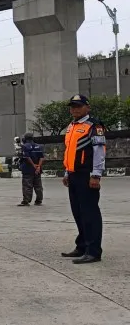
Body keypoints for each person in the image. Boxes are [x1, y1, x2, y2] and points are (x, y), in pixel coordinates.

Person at [61, 94, 106, 264]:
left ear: (87, 107)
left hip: (87, 175)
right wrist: (67, 172)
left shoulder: (94, 126)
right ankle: (82, 246)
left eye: (78, 106)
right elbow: (69, 152)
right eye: (72, 106)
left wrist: (96, 175)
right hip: (73, 175)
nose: (74, 109)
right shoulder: (71, 127)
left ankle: (93, 251)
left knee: (90, 213)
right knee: (78, 213)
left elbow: (99, 152)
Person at [19, 132, 44, 206]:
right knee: (38, 185)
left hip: (28, 169)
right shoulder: (38, 146)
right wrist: (38, 167)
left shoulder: (25, 146)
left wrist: (33, 166)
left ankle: (26, 201)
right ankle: (39, 200)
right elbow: (42, 157)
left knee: (27, 185)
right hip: (37, 170)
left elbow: (27, 157)